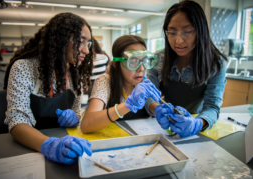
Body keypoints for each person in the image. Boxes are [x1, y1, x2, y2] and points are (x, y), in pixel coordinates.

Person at [3, 12, 93, 164]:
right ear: (61, 40)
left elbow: (77, 112)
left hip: (65, 143)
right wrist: (50, 145)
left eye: (88, 43)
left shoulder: (75, 75)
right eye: (80, 41)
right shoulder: (24, 68)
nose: (86, 50)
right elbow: (17, 121)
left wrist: (74, 118)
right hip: (30, 146)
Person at [145, 0, 227, 138]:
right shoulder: (157, 59)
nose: (179, 41)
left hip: (197, 126)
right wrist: (156, 108)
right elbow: (148, 95)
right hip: (164, 128)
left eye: (187, 32)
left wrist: (198, 123)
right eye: (172, 33)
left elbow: (212, 106)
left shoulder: (215, 63)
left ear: (200, 31)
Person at [81, 35, 161, 133]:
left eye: (144, 61)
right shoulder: (105, 81)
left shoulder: (142, 83)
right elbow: (86, 125)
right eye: (133, 62)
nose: (141, 69)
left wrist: (163, 112)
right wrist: (126, 106)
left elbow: (152, 105)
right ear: (115, 64)